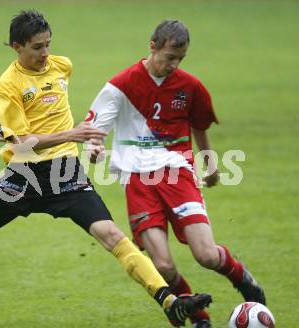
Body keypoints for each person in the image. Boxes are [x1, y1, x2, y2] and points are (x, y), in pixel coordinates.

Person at [0, 11, 212, 327]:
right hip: (23, 178)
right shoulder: (6, 87)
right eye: (37, 47)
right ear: (17, 47)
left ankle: (170, 302)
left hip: (65, 173)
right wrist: (74, 134)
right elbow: (20, 142)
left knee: (113, 236)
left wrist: (85, 142)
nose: (45, 53)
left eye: (48, 44)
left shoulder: (61, 67)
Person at [85, 19, 266, 328]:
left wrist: (209, 162)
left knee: (207, 255)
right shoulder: (120, 85)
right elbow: (94, 127)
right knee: (164, 266)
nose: (173, 65)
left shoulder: (190, 86)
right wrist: (94, 146)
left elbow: (199, 124)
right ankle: (200, 317)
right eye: (169, 57)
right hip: (138, 181)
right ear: (152, 47)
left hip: (177, 173)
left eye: (180, 59)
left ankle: (242, 277)